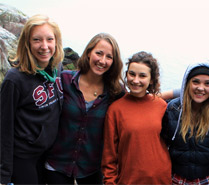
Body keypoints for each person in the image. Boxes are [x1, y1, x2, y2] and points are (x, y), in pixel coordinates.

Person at [44, 33, 124, 184]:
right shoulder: (65, 80)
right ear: (88, 53)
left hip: (91, 169)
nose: (102, 61)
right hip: (57, 164)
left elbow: (138, 101)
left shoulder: (116, 92)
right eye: (98, 53)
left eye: (109, 57)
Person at [0, 14, 64, 184]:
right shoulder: (15, 79)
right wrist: (4, 173)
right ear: (27, 43)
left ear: (56, 42)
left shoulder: (57, 67)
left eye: (49, 39)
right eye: (37, 40)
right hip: (23, 157)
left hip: (48, 153)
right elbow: (4, 127)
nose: (45, 46)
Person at [101, 51, 172, 184]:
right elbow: (109, 156)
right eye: (132, 74)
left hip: (161, 180)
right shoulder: (115, 110)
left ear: (151, 80)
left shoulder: (161, 106)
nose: (135, 80)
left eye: (142, 76)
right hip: (129, 181)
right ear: (126, 74)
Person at [161, 62, 209, 185]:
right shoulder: (173, 108)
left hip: (208, 180)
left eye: (207, 83)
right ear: (187, 84)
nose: (200, 88)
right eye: (196, 82)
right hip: (176, 179)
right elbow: (163, 143)